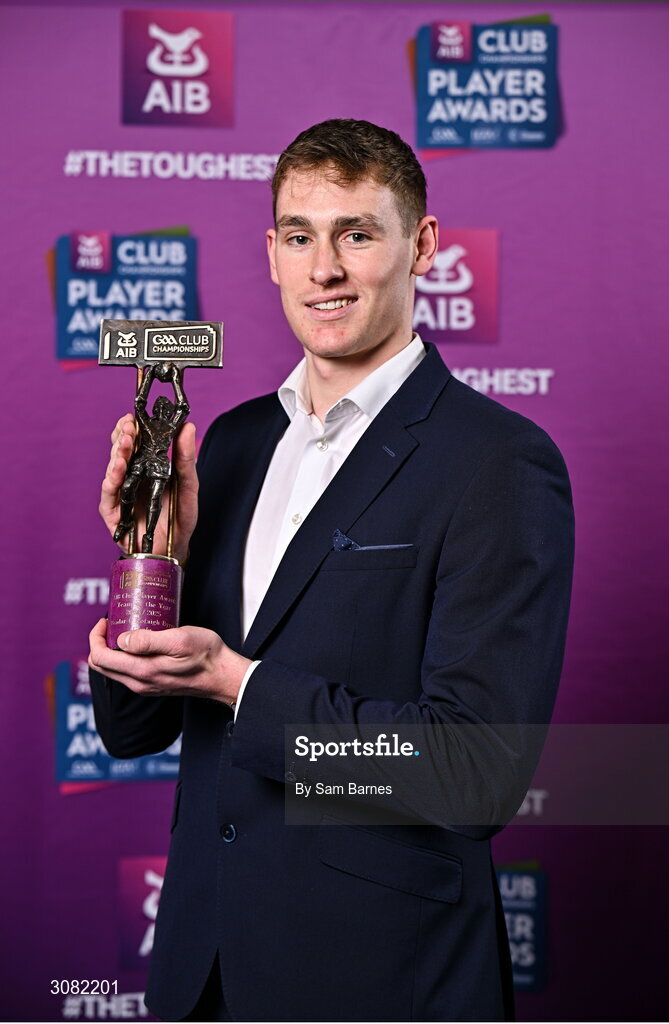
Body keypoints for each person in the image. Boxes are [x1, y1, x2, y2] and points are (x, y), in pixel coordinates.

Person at [89, 119, 574, 1023]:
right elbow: (132, 730)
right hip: (204, 971)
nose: (326, 271)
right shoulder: (226, 443)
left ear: (420, 246)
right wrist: (148, 557)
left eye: (357, 233)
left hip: (381, 980)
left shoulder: (497, 463)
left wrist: (240, 684)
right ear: (271, 253)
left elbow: (473, 776)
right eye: (301, 237)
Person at [113, 361, 190, 554]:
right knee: (128, 487)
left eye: (167, 407)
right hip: (142, 459)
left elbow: (183, 408)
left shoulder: (170, 427)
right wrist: (149, 375)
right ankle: (125, 521)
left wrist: (175, 380)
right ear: (155, 410)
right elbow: (139, 403)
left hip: (160, 464)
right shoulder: (147, 422)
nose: (163, 410)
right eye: (160, 407)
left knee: (155, 500)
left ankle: (149, 535)